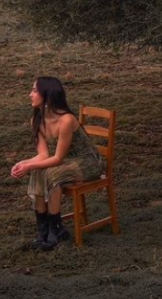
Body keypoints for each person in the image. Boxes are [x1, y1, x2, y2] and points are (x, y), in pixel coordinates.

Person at [10, 76, 104, 251]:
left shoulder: (66, 120)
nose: (30, 94)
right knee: (39, 172)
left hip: (87, 162)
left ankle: (56, 230)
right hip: (66, 162)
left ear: (48, 95)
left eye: (35, 90)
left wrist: (29, 166)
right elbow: (44, 154)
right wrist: (23, 163)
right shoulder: (37, 119)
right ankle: (43, 232)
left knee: (52, 173)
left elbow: (57, 159)